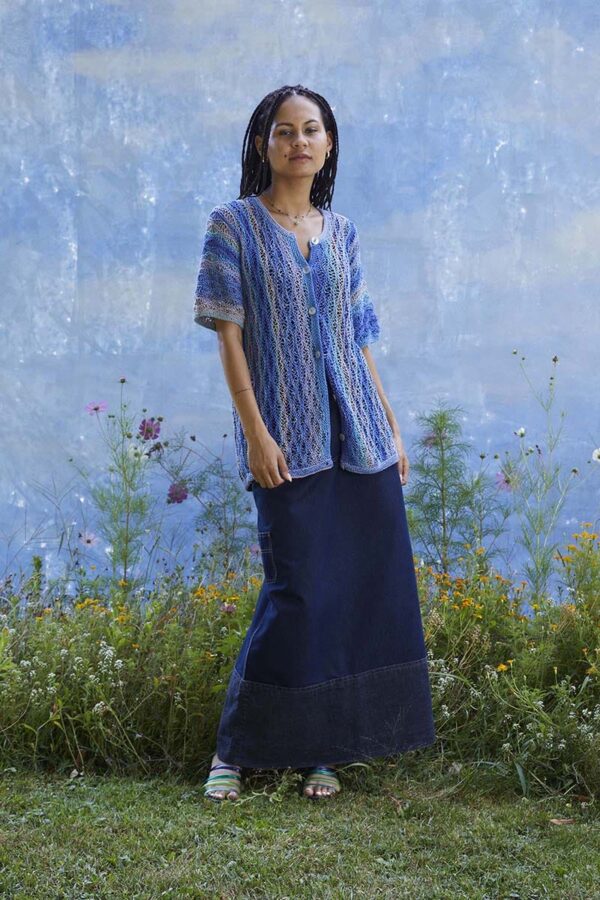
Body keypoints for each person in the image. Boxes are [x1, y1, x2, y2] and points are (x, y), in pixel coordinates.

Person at [194, 84, 436, 802]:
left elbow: (359, 338)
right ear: (262, 143)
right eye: (284, 130)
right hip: (285, 436)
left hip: (360, 434)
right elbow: (229, 338)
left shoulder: (343, 232)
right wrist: (255, 432)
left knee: (354, 590)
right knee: (295, 589)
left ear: (328, 145)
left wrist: (390, 426)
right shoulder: (233, 225)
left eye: (311, 130)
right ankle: (234, 750)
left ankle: (322, 749)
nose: (298, 141)